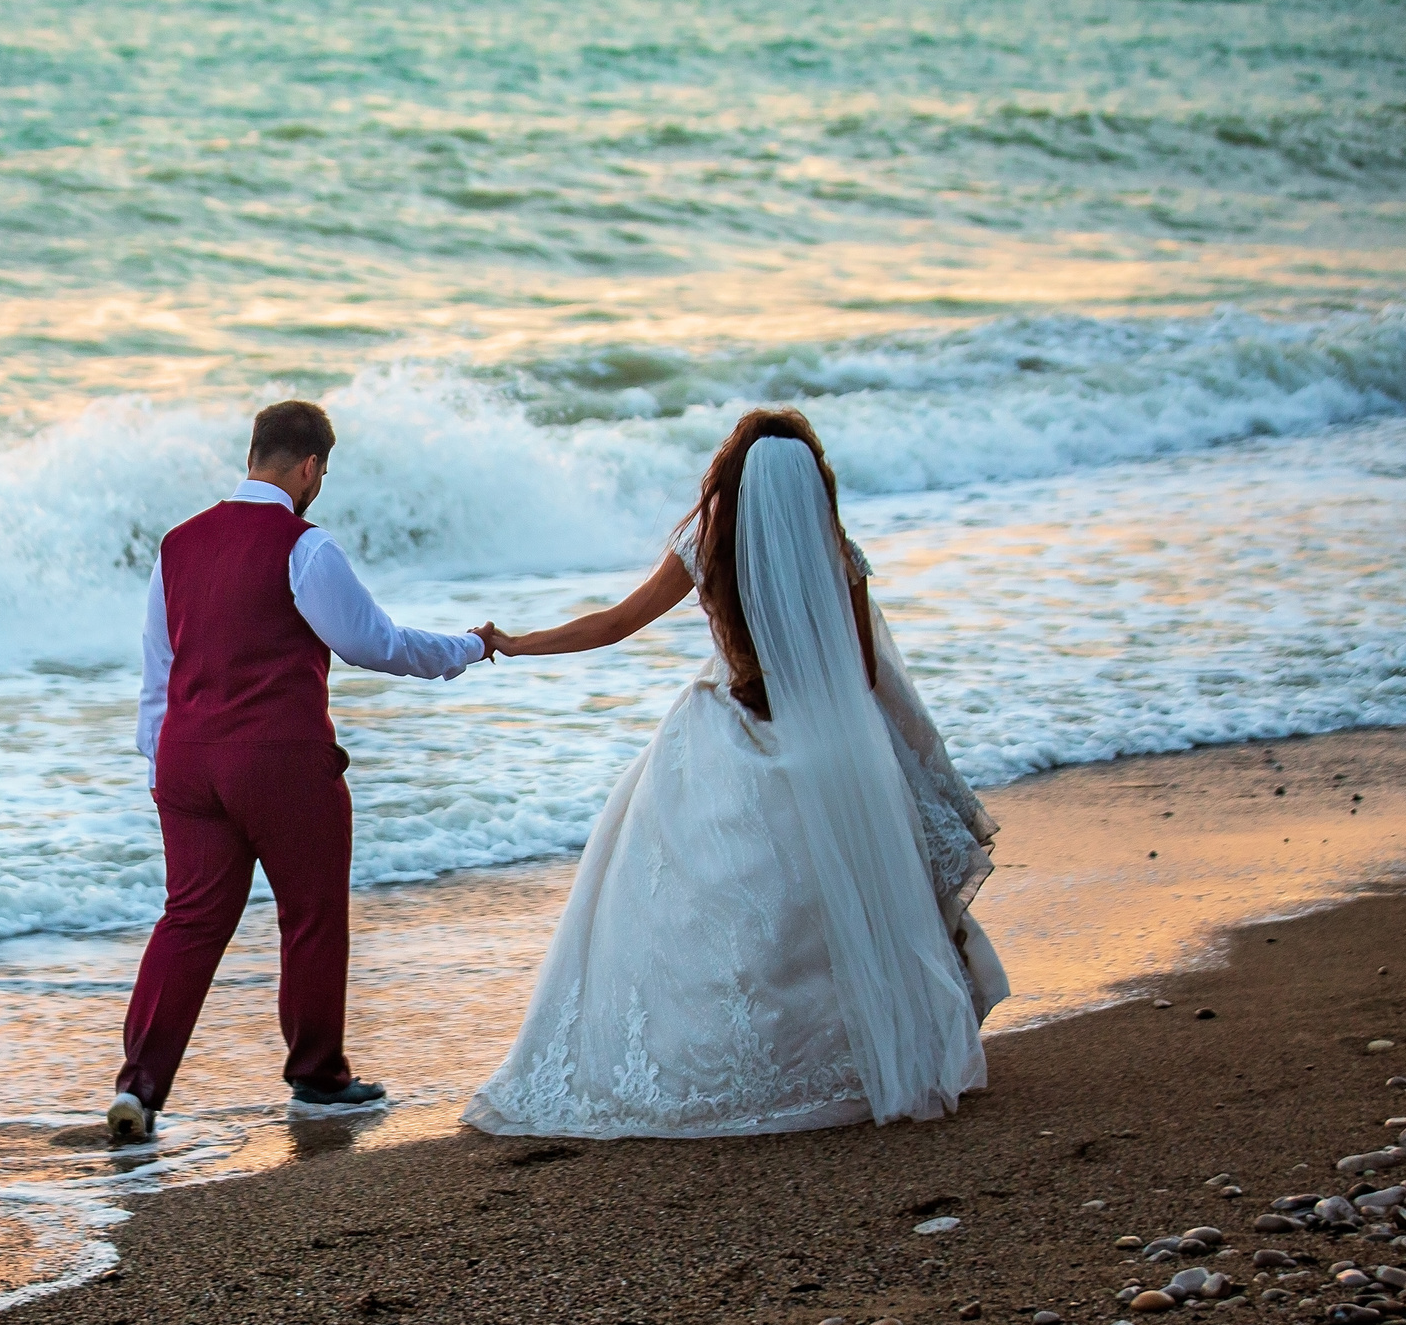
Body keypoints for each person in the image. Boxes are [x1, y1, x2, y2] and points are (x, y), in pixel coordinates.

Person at [463, 408, 1007, 1140]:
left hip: (732, 727)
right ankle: (860, 1056)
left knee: (696, 896)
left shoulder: (708, 541)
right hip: (832, 741)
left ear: (737, 474)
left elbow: (620, 621)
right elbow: (864, 672)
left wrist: (519, 642)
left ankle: (726, 1062)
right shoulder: (837, 551)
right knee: (847, 906)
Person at [107, 400, 488, 1145]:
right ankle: (318, 1076)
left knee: (188, 922)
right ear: (310, 468)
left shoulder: (176, 545)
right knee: (310, 912)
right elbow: (372, 642)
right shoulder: (305, 547)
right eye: (322, 471)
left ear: (254, 454)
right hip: (278, 761)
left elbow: (159, 669)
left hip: (186, 762)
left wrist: (160, 762)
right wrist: (468, 648)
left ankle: (139, 1088)